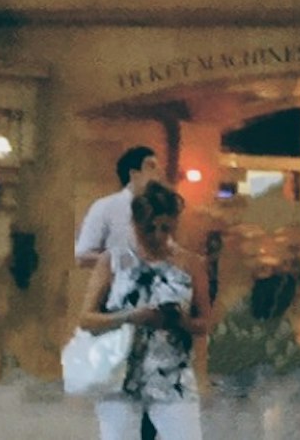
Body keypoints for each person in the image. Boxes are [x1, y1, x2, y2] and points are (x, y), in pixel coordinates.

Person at [78, 182, 213, 440]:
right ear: (135, 224)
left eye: (166, 228)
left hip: (172, 376)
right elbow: (87, 319)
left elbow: (204, 323)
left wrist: (180, 321)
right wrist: (129, 316)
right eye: (149, 228)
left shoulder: (191, 264)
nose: (158, 236)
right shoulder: (113, 260)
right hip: (120, 376)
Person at [76, 146, 158, 278]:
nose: (157, 174)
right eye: (151, 167)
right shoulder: (106, 207)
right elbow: (82, 256)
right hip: (115, 289)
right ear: (134, 174)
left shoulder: (158, 211)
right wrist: (129, 262)